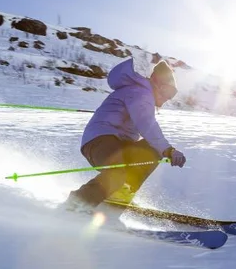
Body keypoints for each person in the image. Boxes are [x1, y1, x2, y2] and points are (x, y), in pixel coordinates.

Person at [61, 56, 186, 214]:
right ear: (155, 80)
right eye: (167, 91)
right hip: (99, 141)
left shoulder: (142, 94)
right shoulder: (140, 92)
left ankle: (117, 198)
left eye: (172, 94)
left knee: (151, 150)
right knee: (118, 171)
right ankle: (77, 203)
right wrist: (168, 149)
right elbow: (147, 124)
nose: (166, 98)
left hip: (118, 142)